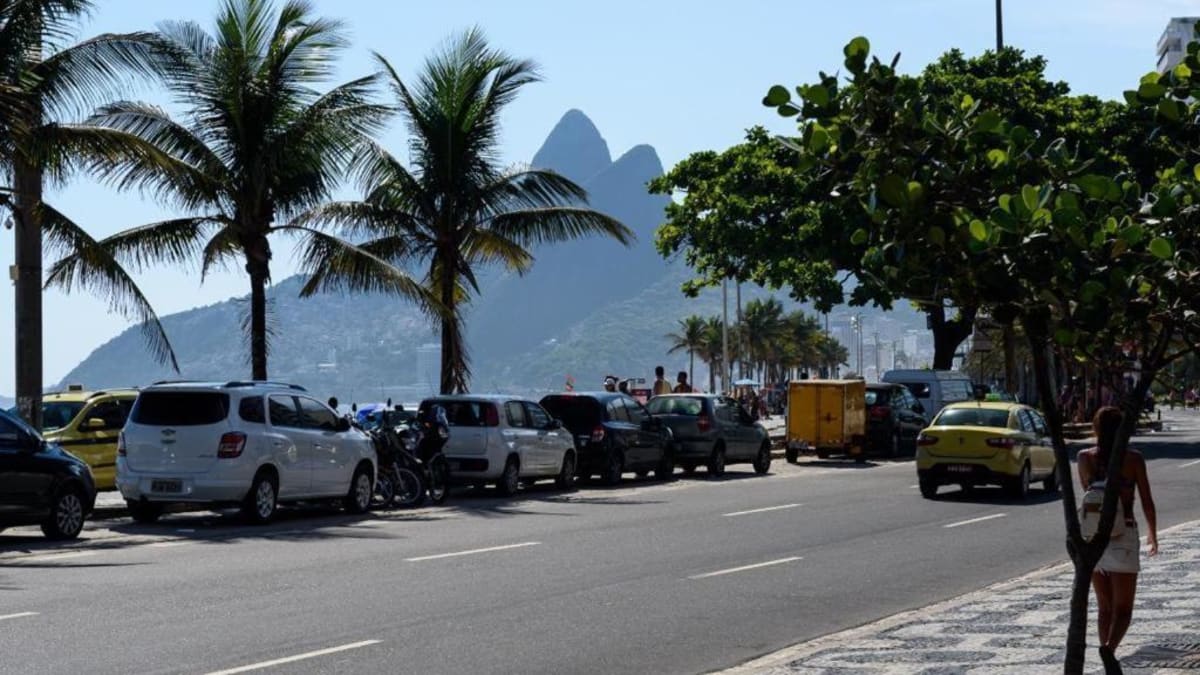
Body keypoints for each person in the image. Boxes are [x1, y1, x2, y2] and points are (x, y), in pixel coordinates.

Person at [1078, 406, 1158, 672]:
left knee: (1105, 607)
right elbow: (1146, 500)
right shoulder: (1133, 459)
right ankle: (1108, 650)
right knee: (1124, 608)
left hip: (1094, 539)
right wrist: (1153, 535)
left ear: (1096, 429)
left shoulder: (1084, 458)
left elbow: (1089, 495)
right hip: (1124, 533)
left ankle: (1105, 650)